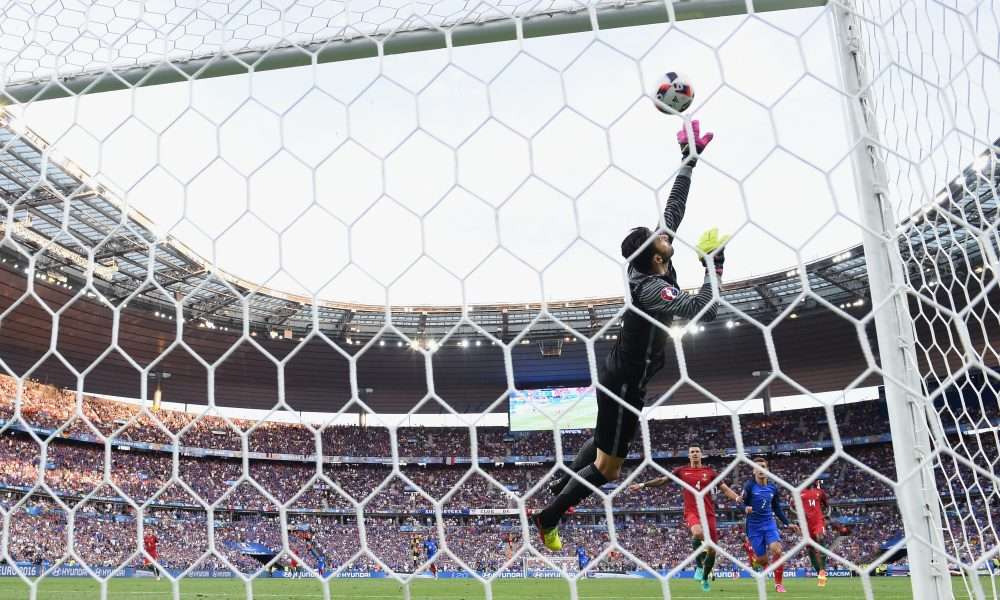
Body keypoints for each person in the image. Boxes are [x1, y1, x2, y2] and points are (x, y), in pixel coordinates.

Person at [534, 120, 725, 551]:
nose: (664, 234)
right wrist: (714, 266)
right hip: (625, 382)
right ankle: (548, 517)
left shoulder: (652, 264)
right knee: (608, 468)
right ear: (655, 256)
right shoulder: (652, 289)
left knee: (601, 443)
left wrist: (689, 161)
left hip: (618, 372)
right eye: (658, 238)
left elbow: (674, 208)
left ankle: (562, 483)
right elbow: (706, 310)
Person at [629, 446, 741, 592]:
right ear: (689, 455)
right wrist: (643, 485)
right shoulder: (682, 471)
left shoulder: (710, 472)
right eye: (692, 452)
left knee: (712, 551)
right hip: (692, 511)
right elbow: (663, 480)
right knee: (697, 533)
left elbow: (725, 489)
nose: (695, 454)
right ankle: (699, 566)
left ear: (701, 454)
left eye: (697, 451)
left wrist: (737, 498)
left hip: (708, 513)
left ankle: (705, 577)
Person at [743, 458, 799, 593]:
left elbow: (777, 508)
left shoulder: (773, 487)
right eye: (757, 467)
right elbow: (740, 502)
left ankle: (778, 584)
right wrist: (745, 508)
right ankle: (752, 553)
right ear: (754, 471)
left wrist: (788, 523)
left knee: (777, 550)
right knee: (762, 560)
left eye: (763, 466)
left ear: (767, 470)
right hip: (753, 526)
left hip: (769, 523)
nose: (761, 469)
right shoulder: (749, 486)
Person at [800, 479, 830, 587]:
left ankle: (822, 571)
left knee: (820, 538)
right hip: (806, 524)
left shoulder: (820, 492)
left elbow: (827, 506)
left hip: (818, 521)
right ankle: (820, 575)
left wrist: (826, 515)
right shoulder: (799, 492)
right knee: (810, 550)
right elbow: (792, 507)